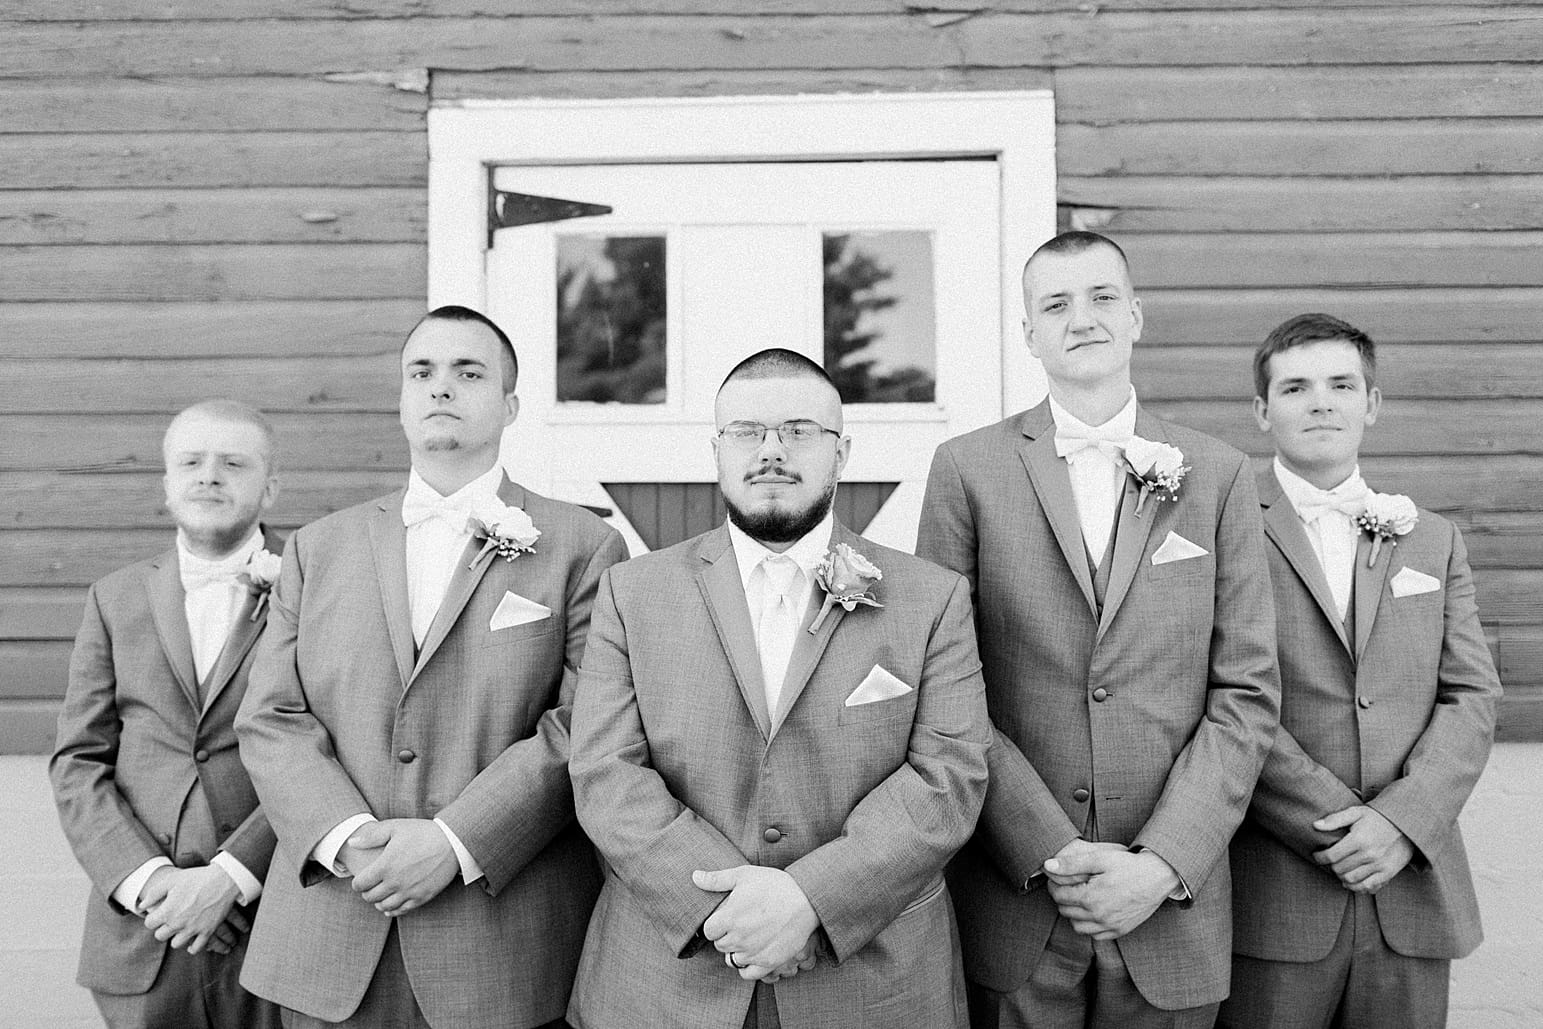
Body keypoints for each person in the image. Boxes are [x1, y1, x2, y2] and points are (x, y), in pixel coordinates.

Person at [918, 230, 1280, 1028]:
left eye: (1101, 297)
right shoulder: (965, 469)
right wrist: (1048, 848)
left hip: (1172, 898)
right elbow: (943, 689)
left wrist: (1160, 862)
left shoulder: (1215, 472)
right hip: (1017, 895)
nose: (1081, 318)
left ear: (1135, 316)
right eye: (1055, 303)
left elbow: (1245, 693)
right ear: (1028, 333)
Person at [567, 348, 991, 1029]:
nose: (771, 450)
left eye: (798, 430)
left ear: (840, 450)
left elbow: (949, 777)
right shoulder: (632, 592)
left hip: (872, 987)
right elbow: (603, 769)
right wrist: (729, 912)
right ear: (716, 448)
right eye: (747, 431)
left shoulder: (931, 597)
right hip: (665, 986)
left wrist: (809, 901)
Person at [234, 306, 628, 1029]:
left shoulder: (584, 546)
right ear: (402, 399)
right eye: (422, 372)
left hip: (500, 946)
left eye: (468, 372)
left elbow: (582, 724)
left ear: (510, 404)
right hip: (331, 934)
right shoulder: (317, 549)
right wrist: (344, 834)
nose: (440, 387)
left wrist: (453, 841)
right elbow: (270, 715)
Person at [1217, 313, 1500, 1029]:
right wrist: (1340, 827)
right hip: (1276, 892)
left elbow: (1470, 696)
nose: (1321, 402)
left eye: (1342, 384)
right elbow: (1215, 690)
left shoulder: (1431, 538)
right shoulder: (1222, 532)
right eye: (1295, 387)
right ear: (1261, 411)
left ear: (1370, 404)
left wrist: (1400, 822)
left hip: (1410, 887)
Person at [50, 399, 285, 1029]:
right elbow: (78, 761)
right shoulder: (113, 597)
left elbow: (340, 747)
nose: (209, 475)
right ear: (166, 483)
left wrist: (234, 876)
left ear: (271, 488)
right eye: (191, 461)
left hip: (273, 929)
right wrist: (145, 880)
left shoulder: (318, 587)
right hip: (142, 933)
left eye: (233, 462)